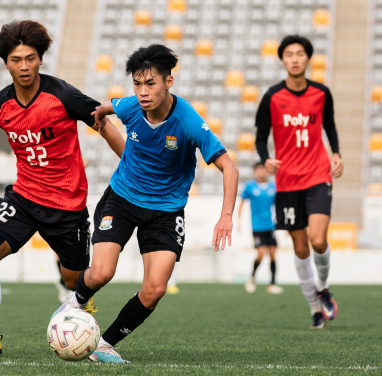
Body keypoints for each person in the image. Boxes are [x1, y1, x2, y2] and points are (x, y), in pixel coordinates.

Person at [52, 44, 239, 363]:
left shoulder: (188, 121)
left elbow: (229, 168)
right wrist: (99, 116)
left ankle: (104, 345)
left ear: (169, 82)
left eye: (150, 83)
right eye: (137, 84)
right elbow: (106, 107)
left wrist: (225, 216)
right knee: (100, 274)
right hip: (122, 198)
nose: (142, 92)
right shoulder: (130, 107)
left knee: (155, 289)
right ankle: (72, 304)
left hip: (166, 210)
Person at [0, 20, 125, 355]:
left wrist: (132, 164)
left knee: (76, 282)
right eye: (17, 60)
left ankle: (81, 327)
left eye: (30, 58)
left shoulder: (62, 95)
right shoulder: (0, 105)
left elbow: (104, 125)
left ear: (40, 59)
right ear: (6, 63)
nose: (24, 66)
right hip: (24, 198)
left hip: (67, 206)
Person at [255, 35, 343, 329]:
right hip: (288, 181)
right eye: (289, 54)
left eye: (300, 54)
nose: (294, 59)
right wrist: (265, 158)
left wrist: (337, 154)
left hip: (318, 175)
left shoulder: (321, 93)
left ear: (308, 58)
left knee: (319, 240)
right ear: (283, 60)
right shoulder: (272, 96)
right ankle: (315, 308)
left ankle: (324, 286)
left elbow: (329, 125)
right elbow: (260, 135)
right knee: (301, 248)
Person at [238, 163, 283, 294]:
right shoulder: (249, 187)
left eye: (263, 170)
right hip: (257, 226)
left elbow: (279, 206)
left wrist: (283, 224)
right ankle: (251, 279)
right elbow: (242, 203)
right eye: (258, 170)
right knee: (261, 254)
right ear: (254, 172)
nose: (261, 172)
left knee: (273, 254)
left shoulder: (273, 187)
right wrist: (238, 221)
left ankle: (273, 284)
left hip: (271, 226)